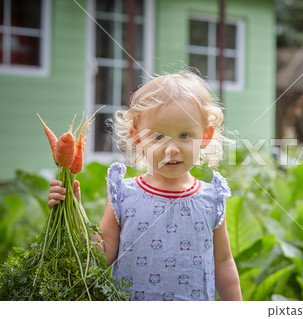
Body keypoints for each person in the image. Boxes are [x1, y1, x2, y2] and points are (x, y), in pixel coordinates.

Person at [48, 71, 242, 301]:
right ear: (137, 138)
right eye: (158, 137)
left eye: (184, 135)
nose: (171, 149)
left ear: (205, 136)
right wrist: (73, 209)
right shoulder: (124, 195)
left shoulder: (212, 198)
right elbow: (101, 255)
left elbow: (223, 264)